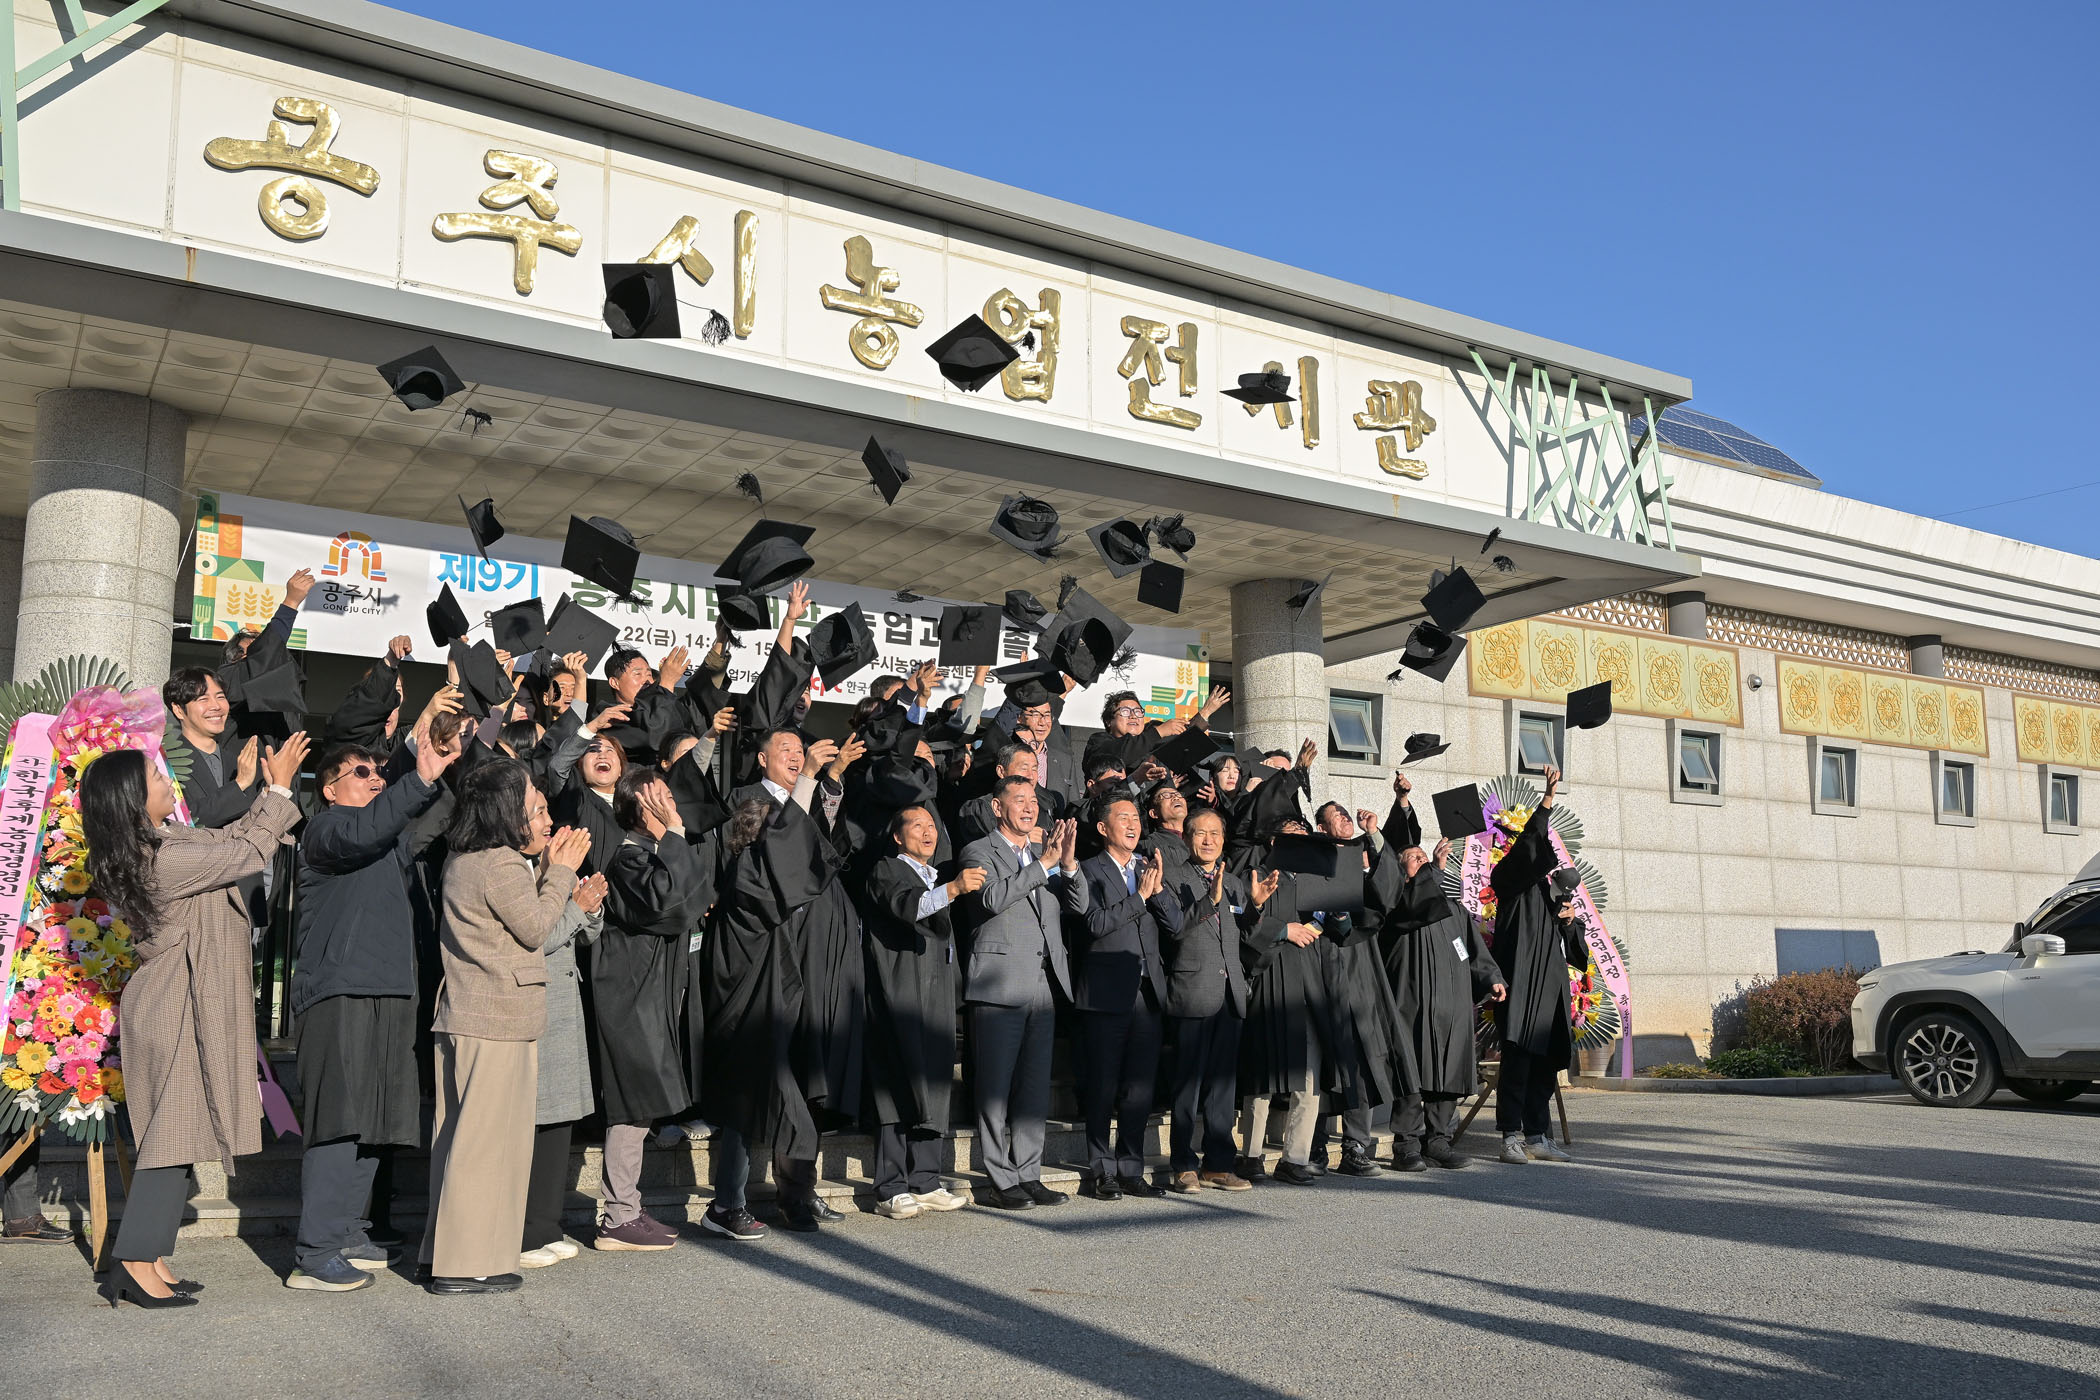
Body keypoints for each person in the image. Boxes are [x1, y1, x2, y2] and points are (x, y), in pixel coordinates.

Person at [81, 736, 307, 1307]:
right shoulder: (159, 857)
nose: (168, 781)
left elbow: (231, 840)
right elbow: (245, 854)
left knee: (179, 1133)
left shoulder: (167, 841)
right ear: (133, 800)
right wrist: (280, 790)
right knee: (168, 1136)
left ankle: (151, 1257)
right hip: (173, 1003)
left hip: (180, 997)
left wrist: (264, 791)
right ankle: (134, 1262)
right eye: (156, 778)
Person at [286, 723, 457, 1292]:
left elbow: (434, 815)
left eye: (379, 772)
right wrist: (417, 779)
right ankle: (314, 1254)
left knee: (374, 1122)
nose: (376, 778)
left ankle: (346, 1230)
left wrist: (446, 761)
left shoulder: (387, 839)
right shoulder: (326, 829)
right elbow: (368, 830)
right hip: (339, 992)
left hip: (389, 991)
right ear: (330, 788)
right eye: (361, 772)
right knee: (338, 1121)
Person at [419, 761, 588, 1294]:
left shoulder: (466, 858)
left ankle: (447, 1254)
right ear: (505, 811)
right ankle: (463, 1264)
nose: (544, 817)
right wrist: (561, 874)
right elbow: (535, 928)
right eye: (533, 806)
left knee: (461, 1140)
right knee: (484, 1145)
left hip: (470, 1014)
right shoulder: (501, 863)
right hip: (495, 1019)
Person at [593, 765, 713, 1248]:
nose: (670, 804)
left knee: (640, 1106)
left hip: (649, 991)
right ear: (639, 809)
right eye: (658, 798)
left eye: (669, 795)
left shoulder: (654, 853)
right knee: (633, 1101)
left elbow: (693, 897)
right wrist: (674, 835)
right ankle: (617, 1215)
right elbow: (670, 905)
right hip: (628, 993)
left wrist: (674, 842)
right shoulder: (628, 859)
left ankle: (627, 1206)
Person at [957, 779, 1085, 1210]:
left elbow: (1079, 905)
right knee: (994, 1088)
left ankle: (1029, 1173)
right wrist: (1043, 864)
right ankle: (1000, 1178)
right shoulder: (978, 850)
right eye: (1020, 800)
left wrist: (1067, 863)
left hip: (1043, 984)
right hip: (999, 982)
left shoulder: (1045, 853)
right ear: (997, 807)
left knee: (1033, 1088)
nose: (1030, 808)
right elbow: (991, 899)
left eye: (1034, 801)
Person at [857, 806, 977, 1219]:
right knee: (896, 1082)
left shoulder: (934, 876)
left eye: (932, 825)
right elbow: (905, 906)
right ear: (897, 835)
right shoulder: (887, 869)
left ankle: (925, 1180)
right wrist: (953, 889)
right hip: (900, 992)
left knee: (935, 1083)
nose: (928, 832)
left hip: (936, 993)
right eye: (917, 825)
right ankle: (890, 1187)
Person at [1381, 778, 1503, 1171]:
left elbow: (1472, 952)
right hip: (1412, 1006)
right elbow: (1416, 904)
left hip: (1451, 1008)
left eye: (1422, 856)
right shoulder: (1397, 906)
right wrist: (1432, 868)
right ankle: (1406, 1146)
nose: (1420, 859)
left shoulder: (1454, 910)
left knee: (1447, 1073)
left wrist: (1491, 978)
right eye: (1412, 858)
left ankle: (1438, 1141)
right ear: (1400, 871)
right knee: (1412, 1075)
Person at [1159, 808, 1275, 1192]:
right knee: (1187, 1085)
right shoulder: (1172, 878)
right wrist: (1210, 900)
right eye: (1200, 833)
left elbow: (1245, 938)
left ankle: (1218, 1164)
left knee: (1223, 1088)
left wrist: (1256, 908)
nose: (1208, 840)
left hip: (1230, 995)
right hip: (1192, 991)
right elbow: (1174, 929)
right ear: (1186, 838)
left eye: (1215, 833)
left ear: (1224, 840)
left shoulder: (1237, 883)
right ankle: (1183, 1164)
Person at [1072, 797, 1180, 1200]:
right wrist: (1139, 898)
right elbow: (1095, 923)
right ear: (1103, 828)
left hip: (1147, 991)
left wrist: (1157, 889)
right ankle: (1102, 1170)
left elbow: (1176, 924)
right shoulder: (1088, 870)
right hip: (1105, 993)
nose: (1133, 825)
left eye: (1136, 818)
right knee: (1103, 1085)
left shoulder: (1147, 868)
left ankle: (1132, 1168)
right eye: (1124, 818)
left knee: (1140, 1087)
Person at [1305, 802, 1409, 1179]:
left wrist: (1375, 836)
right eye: (1337, 816)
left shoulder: (1364, 856)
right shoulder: (1311, 861)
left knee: (1362, 1058)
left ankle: (1355, 1146)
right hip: (1320, 961)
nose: (1346, 819)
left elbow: (1388, 896)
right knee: (1322, 1060)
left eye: (1346, 814)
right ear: (1321, 827)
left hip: (1360, 963)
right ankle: (1314, 1145)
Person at [1488, 765, 1585, 1165]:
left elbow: (1577, 952)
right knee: (1518, 1059)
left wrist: (1569, 921)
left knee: (1545, 1062)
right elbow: (1530, 842)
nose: (1546, 856)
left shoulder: (1551, 893)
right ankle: (1510, 1136)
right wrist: (1548, 798)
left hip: (1550, 986)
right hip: (1521, 981)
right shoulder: (1509, 881)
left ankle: (1536, 1135)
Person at [523, 841, 608, 1267]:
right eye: (539, 814)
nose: (549, 826)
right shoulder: (510, 871)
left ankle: (545, 1225)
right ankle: (524, 1232)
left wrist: (590, 905)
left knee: (559, 1120)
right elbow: (533, 940)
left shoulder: (553, 868)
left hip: (562, 1006)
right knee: (533, 1121)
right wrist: (575, 906)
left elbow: (587, 934)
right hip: (532, 1005)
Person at [162, 669, 261, 829]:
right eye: (203, 699)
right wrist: (239, 785)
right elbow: (183, 821)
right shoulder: (165, 762)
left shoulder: (238, 762)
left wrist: (273, 789)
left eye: (220, 697)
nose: (216, 706)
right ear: (178, 710)